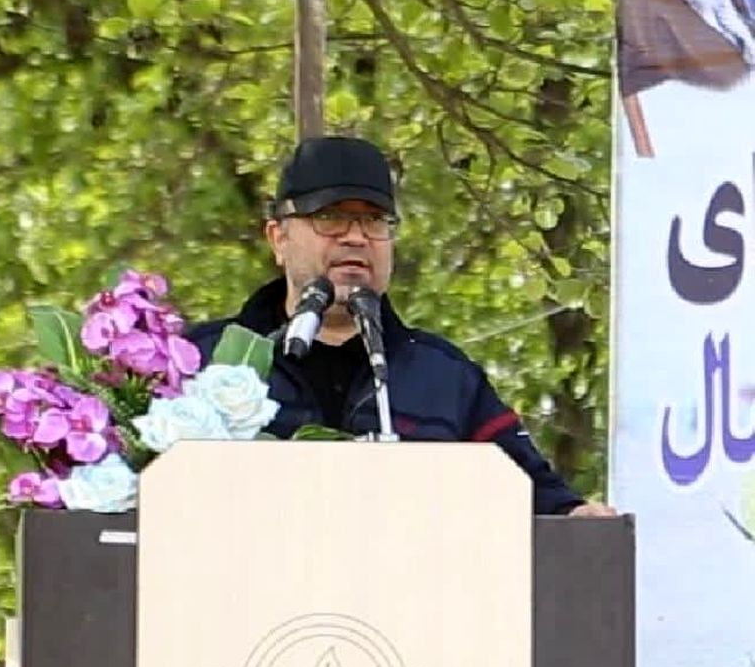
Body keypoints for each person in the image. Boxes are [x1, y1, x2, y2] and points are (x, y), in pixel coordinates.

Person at [187, 135, 615, 517]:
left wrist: (576, 517)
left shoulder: (444, 378)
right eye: (330, 217)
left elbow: (534, 496)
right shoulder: (201, 362)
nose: (356, 237)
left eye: (375, 220)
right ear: (279, 238)